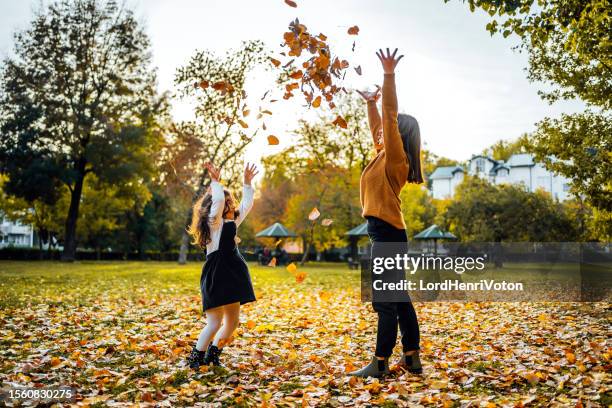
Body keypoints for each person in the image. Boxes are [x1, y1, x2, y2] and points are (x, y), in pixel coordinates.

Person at [350, 48, 425, 378]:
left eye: (388, 131)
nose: (379, 132)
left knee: (385, 301)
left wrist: (389, 76)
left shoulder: (396, 159)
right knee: (400, 298)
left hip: (387, 234)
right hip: (387, 233)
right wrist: (369, 104)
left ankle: (379, 363)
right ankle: (411, 357)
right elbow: (380, 125)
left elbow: (390, 116)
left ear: (399, 137)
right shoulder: (385, 156)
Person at [186, 162, 259, 369]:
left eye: (230, 202)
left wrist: (247, 183)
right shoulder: (213, 224)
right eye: (225, 203)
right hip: (217, 276)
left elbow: (246, 205)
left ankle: (213, 354)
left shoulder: (232, 223)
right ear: (214, 208)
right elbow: (217, 201)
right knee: (214, 322)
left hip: (234, 277)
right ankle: (195, 359)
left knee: (232, 322)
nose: (228, 206)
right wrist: (216, 183)